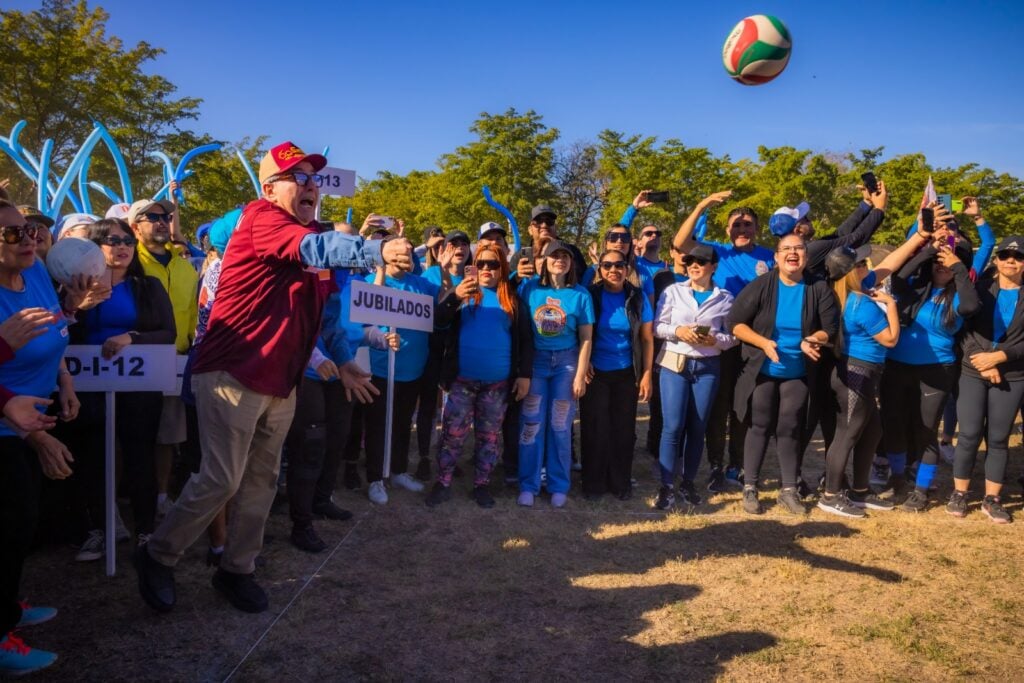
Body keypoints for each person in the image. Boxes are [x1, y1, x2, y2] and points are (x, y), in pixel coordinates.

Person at [135, 141, 400, 615]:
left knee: (260, 482)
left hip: (282, 381)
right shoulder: (259, 219)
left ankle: (237, 570)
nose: (310, 185)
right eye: (297, 177)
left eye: (314, 178)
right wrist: (375, 248)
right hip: (230, 373)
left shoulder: (316, 237)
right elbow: (314, 246)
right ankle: (157, 554)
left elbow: (330, 315)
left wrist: (342, 359)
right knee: (221, 478)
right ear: (268, 187)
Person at [64, 218, 176, 561]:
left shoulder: (149, 286)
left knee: (139, 456)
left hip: (139, 385)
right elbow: (60, 334)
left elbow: (168, 332)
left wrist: (132, 337)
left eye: (127, 239)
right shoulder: (75, 286)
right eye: (112, 240)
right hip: (88, 386)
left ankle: (145, 532)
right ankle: (102, 529)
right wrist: (75, 309)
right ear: (96, 247)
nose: (122, 245)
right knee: (94, 457)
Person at [0, 200, 77, 676]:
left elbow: (56, 331)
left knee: (21, 523)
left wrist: (64, 381)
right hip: (6, 422)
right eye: (13, 234)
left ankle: (8, 605)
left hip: (30, 417)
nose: (29, 238)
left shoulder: (37, 275)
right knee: (7, 525)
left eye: (29, 229)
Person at [816, 226, 932, 518]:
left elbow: (889, 265)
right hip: (857, 372)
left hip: (862, 372)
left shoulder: (846, 291)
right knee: (849, 432)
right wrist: (891, 305)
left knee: (872, 430)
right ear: (852, 272)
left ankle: (859, 491)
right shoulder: (860, 304)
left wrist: (919, 237)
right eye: (862, 264)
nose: (867, 266)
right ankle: (830, 495)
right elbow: (891, 339)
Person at [727, 233, 837, 515]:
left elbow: (830, 328)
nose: (793, 253)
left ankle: (789, 490)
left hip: (798, 371)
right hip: (763, 369)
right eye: (786, 249)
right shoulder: (762, 285)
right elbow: (735, 323)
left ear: (806, 256)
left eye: (798, 248)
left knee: (790, 427)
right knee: (759, 425)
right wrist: (763, 342)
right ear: (776, 257)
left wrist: (814, 339)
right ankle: (750, 486)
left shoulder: (818, 287)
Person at [673, 192, 774, 491]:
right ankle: (716, 466)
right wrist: (701, 205)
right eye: (736, 225)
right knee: (718, 407)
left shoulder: (770, 256)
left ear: (757, 228)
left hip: (756, 343)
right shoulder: (718, 253)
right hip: (721, 341)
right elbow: (680, 243)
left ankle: (737, 466)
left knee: (744, 407)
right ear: (727, 230)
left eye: (747, 225)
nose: (742, 230)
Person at [427, 244, 532, 507]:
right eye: (481, 263)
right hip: (462, 380)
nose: (486, 269)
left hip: (497, 384)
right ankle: (443, 481)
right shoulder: (463, 292)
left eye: (493, 264)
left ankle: (481, 484)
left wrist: (524, 375)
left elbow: (526, 341)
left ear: (502, 268)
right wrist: (453, 297)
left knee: (489, 437)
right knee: (453, 434)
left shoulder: (513, 300)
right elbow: (437, 322)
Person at [883, 239, 980, 512]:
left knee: (925, 431)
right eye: (938, 260)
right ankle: (897, 476)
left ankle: (921, 491)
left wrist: (957, 266)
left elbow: (971, 307)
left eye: (948, 261)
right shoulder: (914, 288)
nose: (942, 264)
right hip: (897, 366)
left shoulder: (961, 294)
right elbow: (898, 276)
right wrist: (929, 250)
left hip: (936, 369)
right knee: (895, 424)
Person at [126, 197, 199, 520]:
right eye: (151, 216)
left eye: (165, 216)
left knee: (168, 436)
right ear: (134, 226)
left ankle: (159, 498)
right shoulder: (128, 264)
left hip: (177, 362)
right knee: (131, 438)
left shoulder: (186, 267)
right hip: (130, 363)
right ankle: (119, 505)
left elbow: (196, 315)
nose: (161, 221)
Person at [362, 237, 446, 505]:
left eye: (410, 250)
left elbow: (444, 304)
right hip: (381, 370)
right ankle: (376, 477)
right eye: (401, 250)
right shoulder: (367, 281)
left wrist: (444, 270)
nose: (407, 253)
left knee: (401, 424)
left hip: (413, 370)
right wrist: (380, 272)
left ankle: (397, 470)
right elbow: (363, 319)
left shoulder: (421, 284)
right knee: (378, 426)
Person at [652, 244, 736, 509]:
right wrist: (678, 331)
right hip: (675, 364)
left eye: (701, 261)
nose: (694, 265)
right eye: (690, 261)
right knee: (673, 426)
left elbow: (732, 336)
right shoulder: (673, 291)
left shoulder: (725, 298)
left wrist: (715, 339)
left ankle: (688, 482)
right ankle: (666, 485)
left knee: (698, 427)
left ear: (713, 266)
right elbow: (658, 327)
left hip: (707, 367)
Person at [948, 236, 1024, 523]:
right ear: (996, 260)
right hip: (973, 371)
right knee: (968, 435)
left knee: (998, 438)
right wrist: (981, 360)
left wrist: (1001, 357)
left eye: (1018, 257)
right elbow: (962, 328)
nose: (1011, 261)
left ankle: (992, 499)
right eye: (1005, 255)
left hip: (1013, 374)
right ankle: (960, 493)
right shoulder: (981, 289)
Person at [517, 240, 593, 507]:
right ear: (545, 263)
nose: (560, 260)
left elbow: (586, 338)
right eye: (554, 256)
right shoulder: (529, 289)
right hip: (535, 364)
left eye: (565, 256)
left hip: (566, 364)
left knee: (560, 425)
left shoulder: (581, 294)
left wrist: (581, 373)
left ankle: (559, 484)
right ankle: (529, 483)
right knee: (531, 425)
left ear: (571, 263)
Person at [580, 249, 653, 500]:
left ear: (627, 268)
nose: (613, 270)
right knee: (595, 429)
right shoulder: (591, 296)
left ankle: (620, 482)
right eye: (607, 265)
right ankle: (593, 483)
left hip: (626, 373)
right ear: (599, 269)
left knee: (623, 431)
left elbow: (646, 339)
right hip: (596, 372)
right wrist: (585, 360)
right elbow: (581, 333)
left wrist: (646, 374)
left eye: (619, 264)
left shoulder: (638, 298)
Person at [415, 231, 472, 481]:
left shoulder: (474, 277)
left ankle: (448, 456)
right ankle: (424, 458)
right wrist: (444, 271)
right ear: (443, 249)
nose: (459, 248)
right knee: (429, 403)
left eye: (464, 244)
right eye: (453, 244)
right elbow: (438, 310)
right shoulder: (430, 275)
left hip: (458, 349)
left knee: (451, 407)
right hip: (431, 346)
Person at [511, 205, 587, 282]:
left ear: (555, 227)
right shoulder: (521, 256)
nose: (544, 225)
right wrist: (516, 277)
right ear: (530, 230)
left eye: (549, 221)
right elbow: (505, 288)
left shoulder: (573, 251)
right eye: (538, 221)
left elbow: (585, 281)